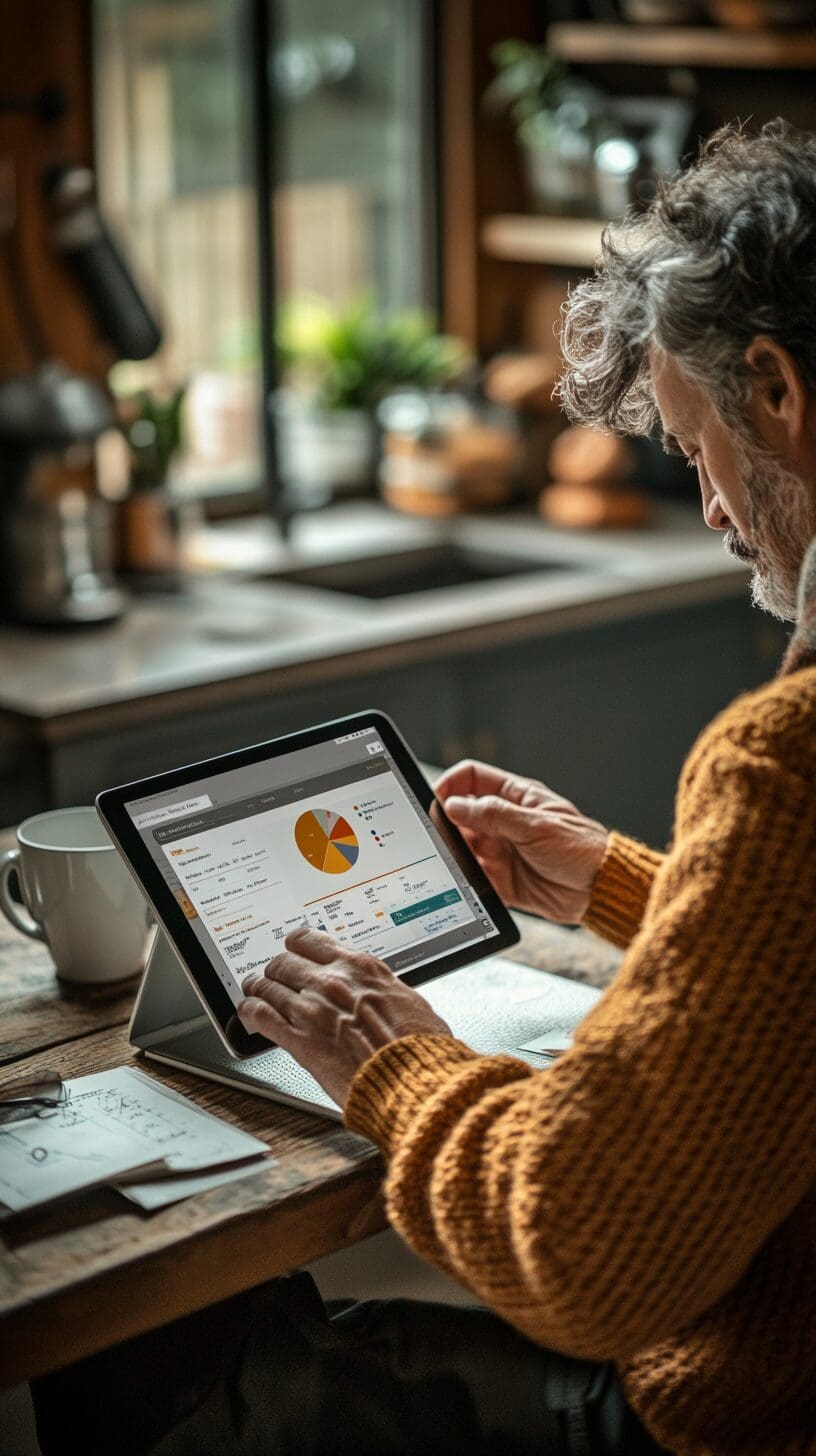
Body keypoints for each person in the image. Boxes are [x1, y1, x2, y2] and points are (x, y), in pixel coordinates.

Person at [34, 120, 816, 1456]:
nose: (710, 511)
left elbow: (589, 1256)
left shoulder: (786, 761)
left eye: (691, 450)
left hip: (752, 1420)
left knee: (147, 1357)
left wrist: (395, 1060)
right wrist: (637, 886)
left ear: (778, 389)